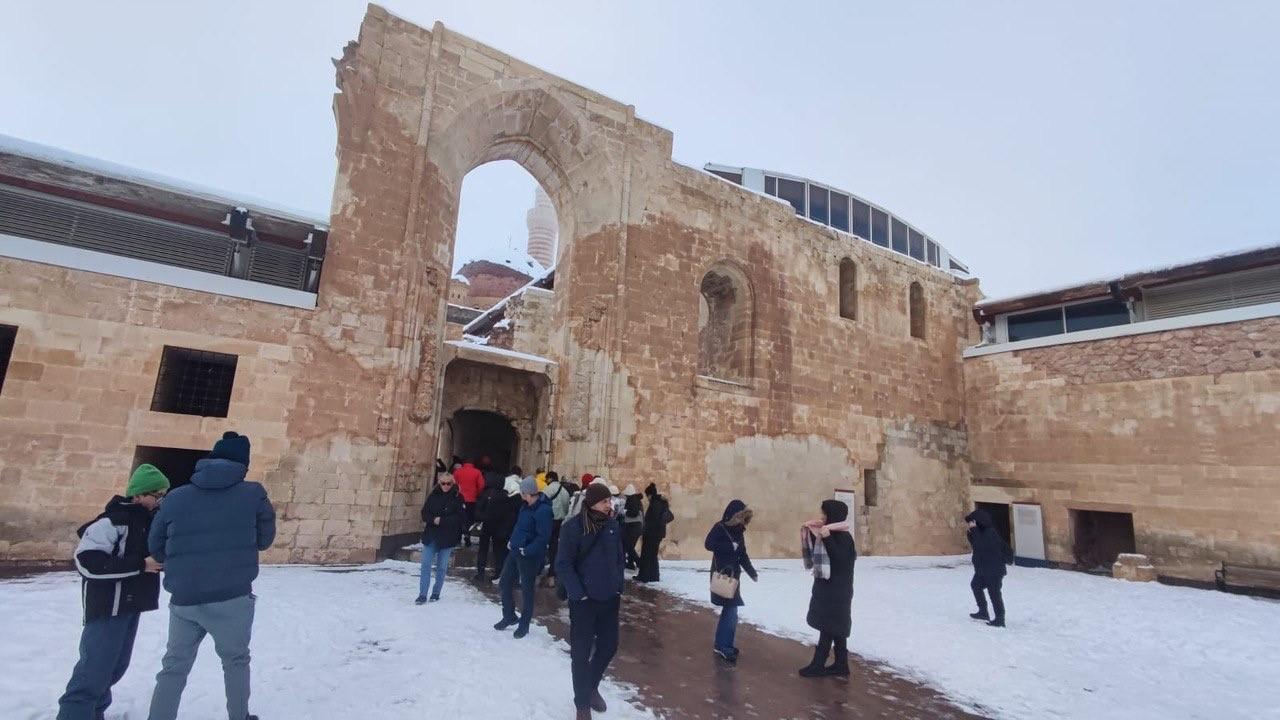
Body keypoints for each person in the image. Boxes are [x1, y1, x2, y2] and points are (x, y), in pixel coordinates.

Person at [147, 431, 275, 720]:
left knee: (174, 666)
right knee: (236, 662)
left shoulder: (176, 497)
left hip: (185, 598)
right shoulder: (253, 494)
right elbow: (265, 540)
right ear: (244, 464)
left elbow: (156, 546)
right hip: (232, 596)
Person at [56, 464, 170, 720]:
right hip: (108, 606)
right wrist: (142, 565)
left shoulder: (147, 524)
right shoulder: (110, 522)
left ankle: (94, 713)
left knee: (114, 668)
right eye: (157, 495)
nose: (160, 501)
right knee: (93, 670)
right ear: (139, 495)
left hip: (130, 605)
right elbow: (87, 562)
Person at [556, 483, 625, 720]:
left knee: (609, 646)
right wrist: (578, 594)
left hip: (609, 598)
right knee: (581, 654)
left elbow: (619, 558)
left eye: (610, 501)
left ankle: (591, 685)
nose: (610, 504)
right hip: (584, 601)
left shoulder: (613, 526)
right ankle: (582, 704)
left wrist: (619, 588)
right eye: (606, 501)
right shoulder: (573, 528)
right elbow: (563, 564)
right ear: (594, 502)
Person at [798, 500, 856, 678]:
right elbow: (822, 550)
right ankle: (841, 664)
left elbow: (839, 559)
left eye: (824, 514)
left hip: (837, 591)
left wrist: (827, 537)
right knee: (836, 627)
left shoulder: (844, 537)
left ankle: (818, 664)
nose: (822, 517)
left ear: (832, 515)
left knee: (828, 627)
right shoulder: (833, 534)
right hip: (832, 589)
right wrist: (812, 531)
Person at [494, 477, 553, 639]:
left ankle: (524, 625)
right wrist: (512, 541)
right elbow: (520, 527)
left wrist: (527, 550)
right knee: (504, 582)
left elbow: (543, 537)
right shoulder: (525, 507)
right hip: (514, 551)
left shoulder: (543, 511)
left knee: (527, 590)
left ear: (527, 492)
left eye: (521, 492)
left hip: (528, 556)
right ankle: (509, 615)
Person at [704, 499, 757, 663]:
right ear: (733, 515)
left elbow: (742, 554)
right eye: (740, 517)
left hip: (735, 576)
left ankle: (722, 644)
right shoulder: (719, 527)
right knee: (731, 611)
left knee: (730, 612)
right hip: (722, 574)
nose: (742, 521)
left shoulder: (739, 531)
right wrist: (729, 547)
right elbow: (708, 545)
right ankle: (724, 646)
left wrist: (751, 572)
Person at [416, 472, 464, 604]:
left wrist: (442, 520)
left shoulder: (458, 497)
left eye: (449, 483)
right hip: (431, 535)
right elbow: (424, 513)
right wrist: (433, 520)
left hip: (447, 536)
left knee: (441, 567)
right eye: (443, 483)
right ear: (439, 483)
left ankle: (436, 592)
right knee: (425, 565)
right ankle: (422, 594)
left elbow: (459, 517)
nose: (446, 486)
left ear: (453, 483)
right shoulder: (433, 496)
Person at [965, 508, 1013, 627]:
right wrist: (971, 533)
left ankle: (1000, 619)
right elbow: (976, 545)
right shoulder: (980, 532)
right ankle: (983, 611)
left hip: (994, 570)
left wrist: (974, 531)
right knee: (975, 585)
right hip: (983, 569)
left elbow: (982, 546)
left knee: (994, 593)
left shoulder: (990, 532)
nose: (970, 524)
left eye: (972, 522)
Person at [475, 468, 519, 581]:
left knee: (483, 549)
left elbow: (478, 511)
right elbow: (508, 514)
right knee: (498, 550)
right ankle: (498, 571)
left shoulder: (486, 494)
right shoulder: (506, 496)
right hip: (499, 527)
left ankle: (480, 572)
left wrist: (483, 518)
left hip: (486, 525)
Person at [634, 483, 672, 583]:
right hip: (657, 534)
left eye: (647, 495)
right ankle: (653, 576)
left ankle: (645, 576)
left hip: (652, 534)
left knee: (647, 555)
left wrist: (646, 530)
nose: (647, 498)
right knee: (652, 555)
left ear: (650, 494)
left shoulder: (655, 504)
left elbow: (653, 520)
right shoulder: (661, 502)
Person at [542, 471, 571, 585]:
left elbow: (541, 503)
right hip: (559, 522)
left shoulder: (547, 489)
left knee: (542, 543)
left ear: (550, 479)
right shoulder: (565, 492)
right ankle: (552, 574)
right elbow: (566, 508)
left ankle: (538, 569)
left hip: (548, 520)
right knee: (554, 547)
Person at [453, 459, 484, 548]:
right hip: (471, 500)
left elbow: (453, 484)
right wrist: (477, 494)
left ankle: (457, 540)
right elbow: (481, 485)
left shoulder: (457, 472)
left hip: (459, 499)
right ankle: (467, 537)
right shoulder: (477, 472)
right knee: (469, 519)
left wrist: (455, 495)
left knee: (458, 519)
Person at [620, 485, 644, 571]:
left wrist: (625, 512)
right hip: (637, 528)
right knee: (630, 546)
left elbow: (633, 513)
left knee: (629, 546)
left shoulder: (632, 501)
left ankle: (639, 563)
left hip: (633, 528)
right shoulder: (637, 500)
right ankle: (630, 563)